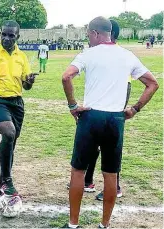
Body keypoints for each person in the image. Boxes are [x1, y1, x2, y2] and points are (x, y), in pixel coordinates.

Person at [62, 16, 158, 228]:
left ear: (96, 34)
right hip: (115, 119)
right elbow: (152, 83)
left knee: (78, 171)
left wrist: (72, 105)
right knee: (111, 174)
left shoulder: (88, 54)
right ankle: (104, 225)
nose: (88, 39)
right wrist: (134, 109)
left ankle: (73, 224)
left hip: (90, 116)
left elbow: (66, 77)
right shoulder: (127, 55)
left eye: (89, 35)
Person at [0, 20, 38, 199]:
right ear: (0, 34)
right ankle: (7, 181)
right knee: (9, 133)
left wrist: (29, 82)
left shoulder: (22, 57)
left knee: (11, 144)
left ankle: (2, 184)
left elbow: (26, 87)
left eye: (11, 35)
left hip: (16, 103)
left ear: (18, 36)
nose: (7, 38)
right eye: (4, 34)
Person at [84, 19, 132, 201]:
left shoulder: (120, 56)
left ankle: (115, 187)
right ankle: (88, 180)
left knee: (110, 151)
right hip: (97, 110)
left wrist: (120, 112)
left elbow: (127, 86)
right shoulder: (100, 54)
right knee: (93, 147)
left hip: (112, 113)